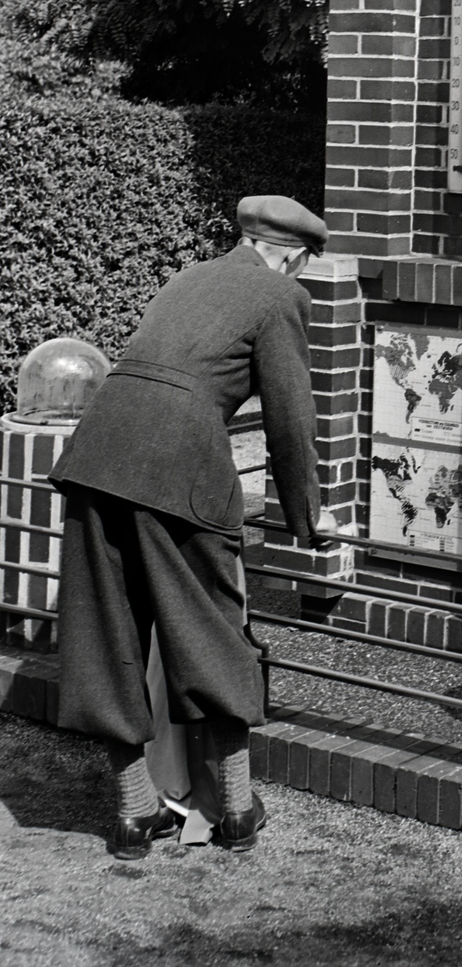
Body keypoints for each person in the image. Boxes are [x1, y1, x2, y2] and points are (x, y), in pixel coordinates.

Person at [51, 194, 332, 859]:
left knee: (104, 633)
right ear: (291, 255)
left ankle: (132, 815)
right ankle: (236, 810)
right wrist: (306, 517)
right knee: (209, 628)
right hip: (180, 464)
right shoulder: (277, 296)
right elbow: (290, 417)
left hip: (97, 451)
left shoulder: (187, 277)